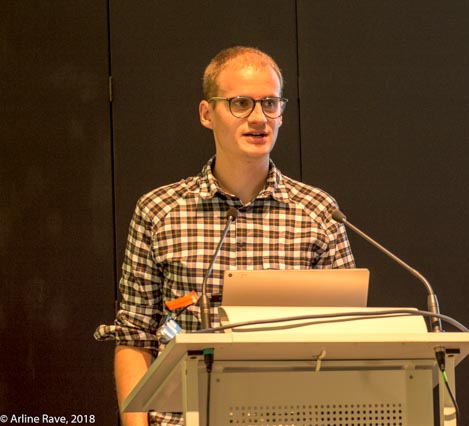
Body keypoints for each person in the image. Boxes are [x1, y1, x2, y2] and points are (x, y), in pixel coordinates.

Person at [94, 46, 355, 425]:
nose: (259, 118)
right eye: (240, 104)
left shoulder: (318, 211)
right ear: (207, 114)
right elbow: (135, 336)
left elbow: (348, 337)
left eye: (270, 103)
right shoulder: (160, 210)